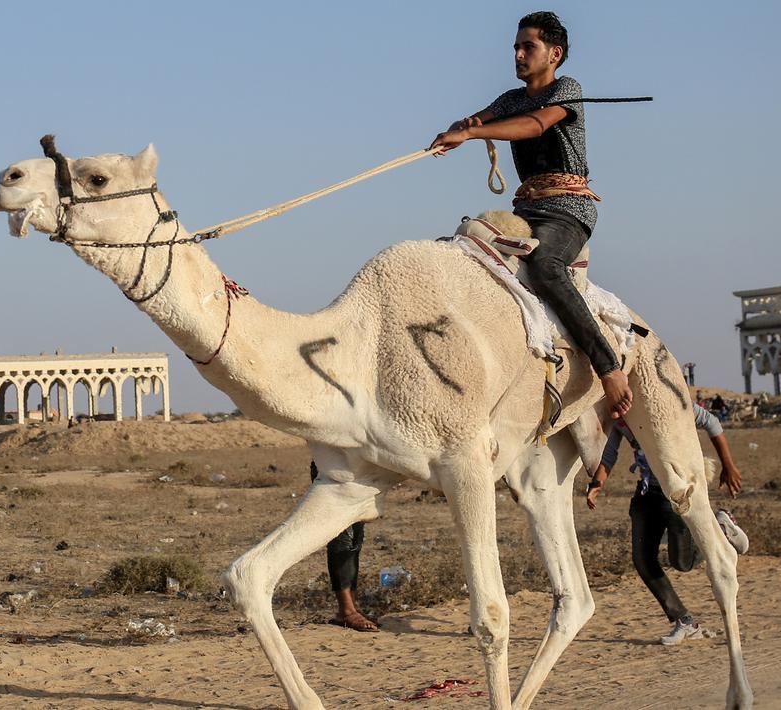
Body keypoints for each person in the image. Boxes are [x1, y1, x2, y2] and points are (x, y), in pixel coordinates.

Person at [428, 11, 632, 419]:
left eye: (528, 47)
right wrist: (461, 127)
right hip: (526, 209)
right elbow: (479, 118)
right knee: (462, 250)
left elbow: (535, 125)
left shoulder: (567, 89)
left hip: (567, 210)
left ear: (554, 54)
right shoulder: (510, 99)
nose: (519, 54)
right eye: (516, 48)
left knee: (544, 266)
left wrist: (471, 134)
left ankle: (608, 368)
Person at [585, 404, 749, 645]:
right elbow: (610, 454)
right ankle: (684, 621)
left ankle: (720, 528)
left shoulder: (667, 403)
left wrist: (729, 465)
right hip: (648, 490)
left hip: (679, 491)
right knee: (643, 560)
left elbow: (712, 422)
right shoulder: (621, 419)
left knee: (682, 562)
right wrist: (597, 484)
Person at [310, 461, 378, 631]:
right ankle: (346, 611)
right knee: (343, 539)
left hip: (355, 469)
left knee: (355, 540)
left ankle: (350, 609)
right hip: (333, 470)